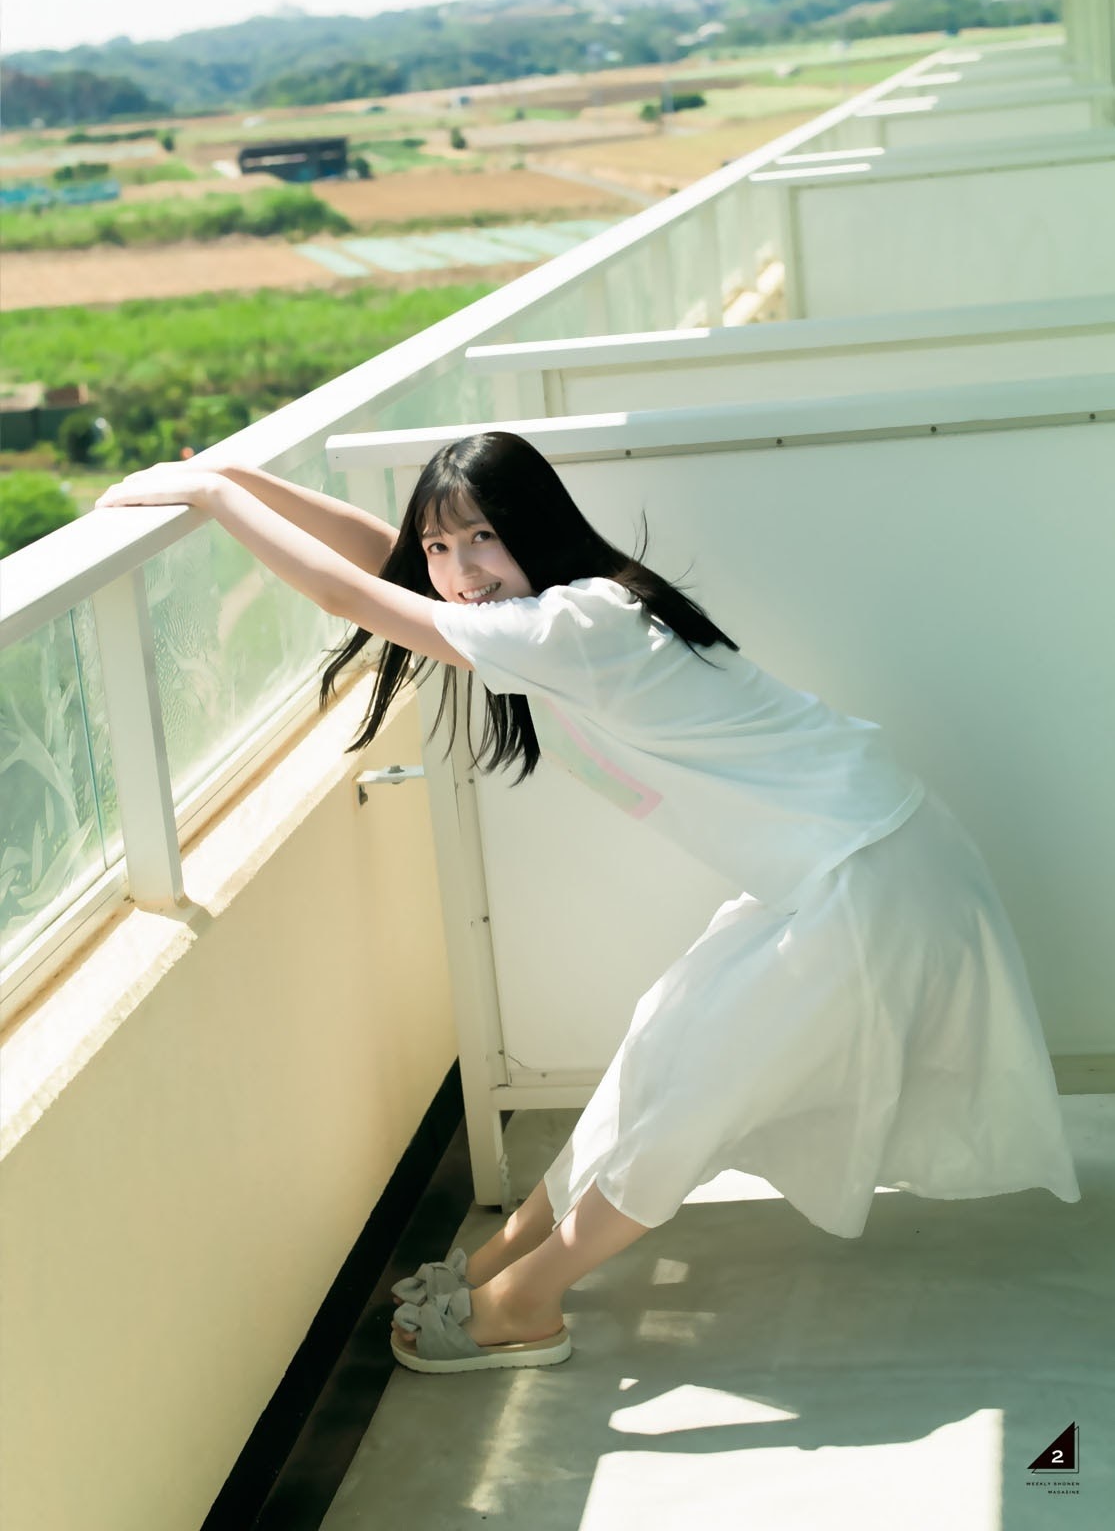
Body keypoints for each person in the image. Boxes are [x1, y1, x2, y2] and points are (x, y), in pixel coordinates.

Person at [96, 431, 1081, 1377]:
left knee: (693, 1097)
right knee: (663, 1052)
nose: (458, 570)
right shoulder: (564, 609)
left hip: (866, 876)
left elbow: (348, 591)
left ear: (533, 525)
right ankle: (501, 1260)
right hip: (839, 864)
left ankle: (523, 1305)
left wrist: (213, 496)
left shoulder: (574, 625)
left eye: (482, 536)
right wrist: (240, 474)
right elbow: (383, 559)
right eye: (441, 547)